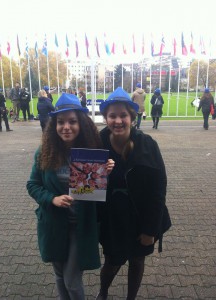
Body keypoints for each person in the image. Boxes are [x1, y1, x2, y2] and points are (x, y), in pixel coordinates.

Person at [26, 93, 114, 299]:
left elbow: (96, 192)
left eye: (72, 121)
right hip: (53, 224)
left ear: (81, 124)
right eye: (61, 122)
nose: (66, 127)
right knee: (59, 275)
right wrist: (52, 199)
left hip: (79, 226)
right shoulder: (45, 152)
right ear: (54, 125)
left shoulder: (91, 152)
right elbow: (32, 185)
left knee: (72, 282)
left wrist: (105, 174)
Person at [96, 87, 171, 300]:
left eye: (123, 116)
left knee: (137, 261)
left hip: (141, 217)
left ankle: (131, 297)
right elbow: (87, 184)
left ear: (132, 117)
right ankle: (103, 293)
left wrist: (150, 230)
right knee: (112, 262)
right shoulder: (97, 143)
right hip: (113, 218)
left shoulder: (147, 145)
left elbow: (158, 190)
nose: (118, 121)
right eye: (112, 116)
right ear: (105, 118)